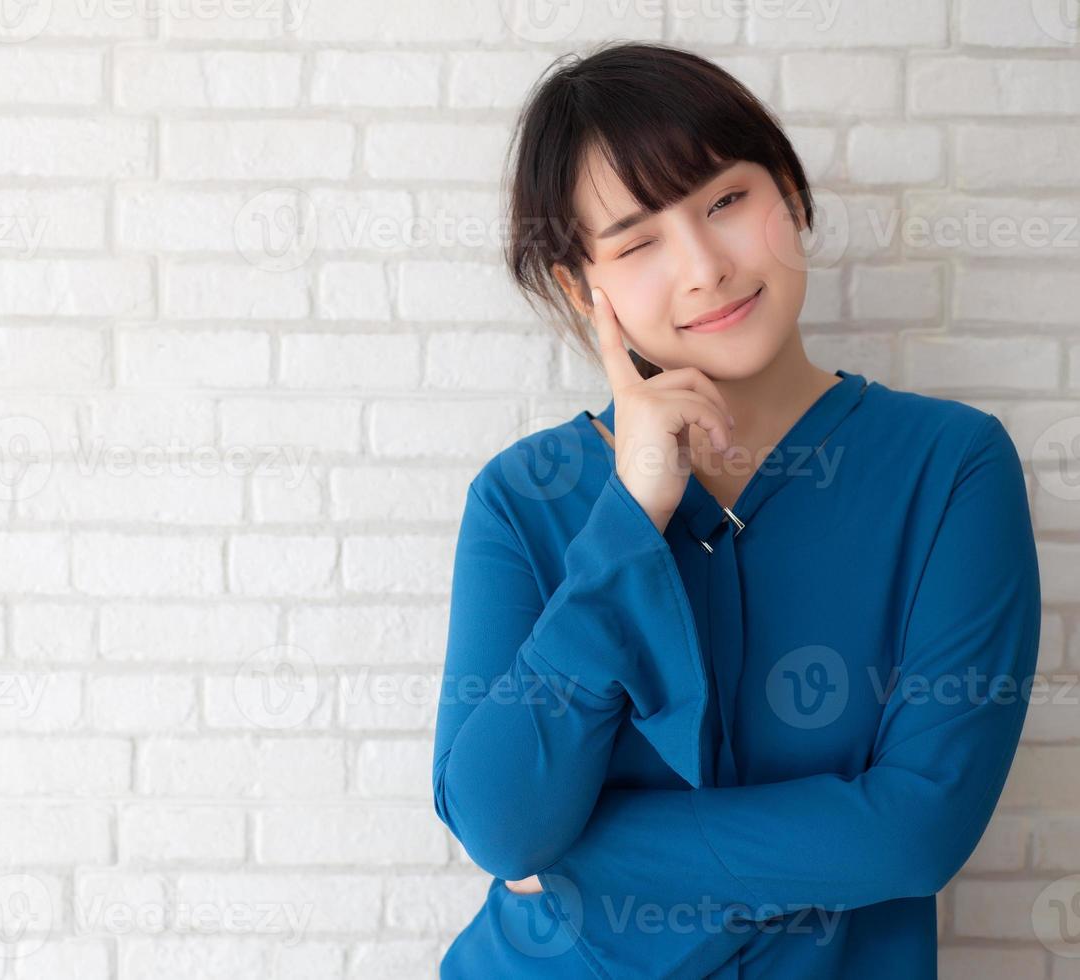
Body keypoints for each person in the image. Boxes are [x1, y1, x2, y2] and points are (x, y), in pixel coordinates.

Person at [432, 41, 1041, 979]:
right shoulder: (523, 499)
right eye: (638, 242)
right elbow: (502, 822)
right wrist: (632, 515)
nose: (705, 267)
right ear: (578, 287)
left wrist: (578, 860)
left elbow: (916, 832)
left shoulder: (950, 468)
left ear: (791, 197)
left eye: (726, 201)